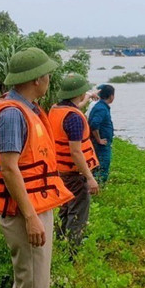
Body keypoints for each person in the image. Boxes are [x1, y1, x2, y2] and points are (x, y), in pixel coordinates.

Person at [0, 47, 74, 288]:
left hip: (33, 206)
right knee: (33, 283)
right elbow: (10, 168)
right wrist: (32, 217)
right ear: (37, 79)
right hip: (25, 212)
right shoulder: (12, 114)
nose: (49, 79)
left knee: (32, 279)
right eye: (47, 74)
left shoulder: (26, 108)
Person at [48, 73, 100, 245]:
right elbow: (76, 152)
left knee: (64, 207)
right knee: (77, 211)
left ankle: (60, 241)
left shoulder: (56, 109)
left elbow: (77, 106)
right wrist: (90, 178)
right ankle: (73, 249)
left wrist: (88, 97)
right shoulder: (75, 118)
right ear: (79, 93)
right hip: (75, 173)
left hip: (59, 171)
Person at [88, 83, 115, 184]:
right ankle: (98, 188)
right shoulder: (101, 108)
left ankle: (96, 187)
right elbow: (94, 124)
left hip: (101, 142)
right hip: (101, 145)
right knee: (102, 167)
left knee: (97, 166)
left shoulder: (101, 106)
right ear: (111, 96)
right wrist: (99, 139)